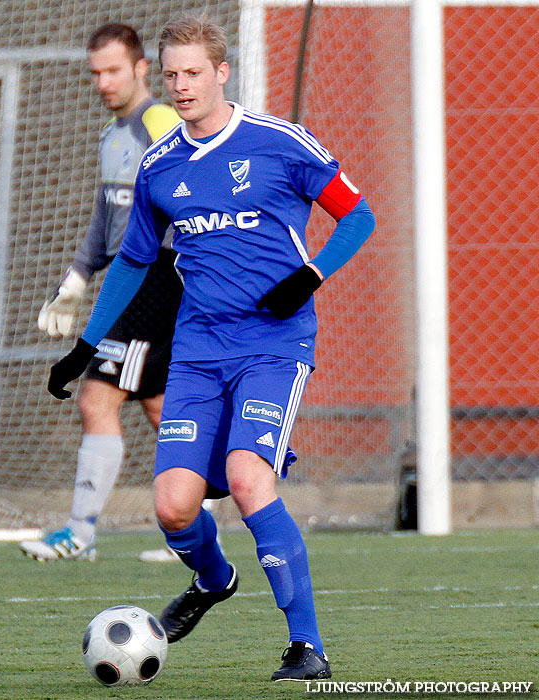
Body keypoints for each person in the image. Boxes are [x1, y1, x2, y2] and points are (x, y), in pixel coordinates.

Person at [46, 15, 376, 682]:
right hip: (196, 350)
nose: (182, 84)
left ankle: (307, 647)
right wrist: (84, 348)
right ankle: (214, 578)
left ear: (222, 73)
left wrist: (308, 277)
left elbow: (358, 215)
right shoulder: (159, 166)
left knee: (252, 481)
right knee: (172, 505)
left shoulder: (280, 143)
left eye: (194, 72)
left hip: (273, 345)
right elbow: (136, 263)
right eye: (172, 74)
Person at [20, 23, 183, 563]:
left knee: (96, 399)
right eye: (95, 72)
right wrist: (74, 281)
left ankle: (80, 532)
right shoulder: (112, 137)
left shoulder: (158, 120)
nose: (103, 82)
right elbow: (105, 219)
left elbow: (189, 184)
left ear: (140, 69)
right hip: (129, 276)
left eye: (114, 69)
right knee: (162, 408)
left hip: (158, 275)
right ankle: (193, 537)